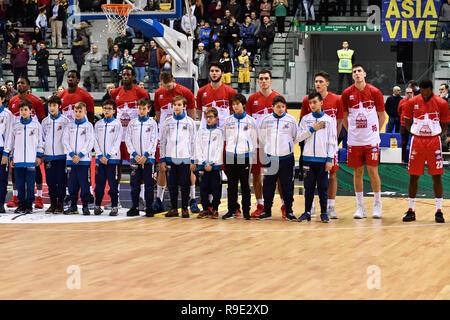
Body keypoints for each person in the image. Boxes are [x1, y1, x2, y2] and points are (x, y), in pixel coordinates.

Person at [341, 64, 386, 219]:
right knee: (357, 172)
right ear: (352, 76)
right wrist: (351, 131)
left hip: (371, 140)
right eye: (354, 72)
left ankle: (377, 204)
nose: (357, 73)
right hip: (354, 141)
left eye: (359, 71)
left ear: (365, 74)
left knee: (373, 171)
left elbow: (382, 116)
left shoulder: (375, 92)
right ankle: (360, 206)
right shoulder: (347, 93)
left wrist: (375, 132)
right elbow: (345, 117)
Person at [402, 80, 450, 223]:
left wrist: (437, 134)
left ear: (430, 89)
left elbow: (445, 123)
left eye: (426, 90)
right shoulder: (412, 102)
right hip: (417, 141)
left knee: (437, 175)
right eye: (421, 90)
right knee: (413, 175)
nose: (423, 93)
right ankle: (411, 210)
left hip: (433, 141)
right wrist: (414, 132)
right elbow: (407, 121)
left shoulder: (441, 103)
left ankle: (439, 211)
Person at [300, 71, 344, 219]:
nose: (317, 83)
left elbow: (339, 122)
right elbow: (303, 126)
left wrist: (333, 143)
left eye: (320, 81)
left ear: (327, 83)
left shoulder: (336, 99)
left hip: (328, 146)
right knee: (309, 182)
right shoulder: (307, 100)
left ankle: (330, 207)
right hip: (310, 148)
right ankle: (310, 207)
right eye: (316, 81)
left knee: (332, 175)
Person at [152, 72, 197, 213]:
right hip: (167, 133)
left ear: (174, 81)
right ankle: (159, 200)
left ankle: (192, 199)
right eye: (164, 85)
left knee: (186, 174)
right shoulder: (158, 93)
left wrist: (188, 125)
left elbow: (192, 112)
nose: (167, 87)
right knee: (163, 168)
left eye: (169, 85)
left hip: (184, 138)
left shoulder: (185, 92)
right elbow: (158, 114)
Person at [247, 69, 285, 218]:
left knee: (277, 177)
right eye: (261, 79)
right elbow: (249, 123)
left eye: (266, 78)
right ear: (258, 81)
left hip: (273, 146)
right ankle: (260, 204)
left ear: (271, 81)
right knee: (256, 175)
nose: (263, 81)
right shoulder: (252, 99)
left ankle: (283, 205)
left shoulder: (278, 98)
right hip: (257, 145)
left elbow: (283, 121)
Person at [110, 66, 150, 205]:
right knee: (117, 166)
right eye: (123, 74)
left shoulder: (140, 92)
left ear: (133, 77)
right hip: (120, 137)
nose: (125, 76)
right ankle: (117, 198)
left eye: (128, 74)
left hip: (135, 136)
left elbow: (146, 112)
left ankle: (143, 197)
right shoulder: (115, 92)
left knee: (139, 166)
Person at [297, 92, 338, 223]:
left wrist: (330, 159)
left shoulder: (329, 120)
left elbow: (332, 141)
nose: (312, 105)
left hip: (322, 160)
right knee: (308, 187)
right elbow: (298, 137)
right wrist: (312, 129)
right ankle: (307, 211)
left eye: (315, 102)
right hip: (307, 159)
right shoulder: (305, 119)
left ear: (321, 103)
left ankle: (324, 213)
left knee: (323, 187)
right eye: (310, 103)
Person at [7, 77, 46, 209]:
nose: (19, 85)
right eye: (18, 83)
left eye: (22, 83)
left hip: (31, 149)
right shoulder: (12, 101)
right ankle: (17, 198)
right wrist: (11, 155)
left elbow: (41, 121)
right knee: (18, 179)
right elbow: (11, 135)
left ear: (28, 86)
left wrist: (39, 154)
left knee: (33, 178)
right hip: (18, 153)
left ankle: (38, 198)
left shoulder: (36, 101)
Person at [256, 95, 298, 221]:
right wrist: (269, 148)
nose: (280, 109)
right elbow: (262, 138)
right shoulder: (266, 120)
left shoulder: (291, 120)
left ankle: (289, 211)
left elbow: (295, 137)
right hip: (270, 158)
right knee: (268, 185)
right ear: (272, 107)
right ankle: (267, 211)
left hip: (287, 158)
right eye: (278, 107)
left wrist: (287, 147)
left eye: (283, 107)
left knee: (287, 186)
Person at [2, 100, 43, 214]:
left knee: (30, 184)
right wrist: (10, 158)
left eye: (26, 110)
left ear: (31, 111)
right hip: (18, 160)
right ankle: (21, 204)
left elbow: (40, 142)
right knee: (19, 184)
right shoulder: (15, 126)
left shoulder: (36, 125)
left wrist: (39, 156)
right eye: (21, 110)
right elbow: (10, 142)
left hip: (31, 161)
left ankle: (29, 204)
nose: (23, 112)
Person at [160, 96, 197, 218]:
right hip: (170, 158)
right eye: (175, 104)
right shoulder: (167, 122)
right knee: (171, 185)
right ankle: (174, 208)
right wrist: (163, 159)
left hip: (185, 158)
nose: (177, 107)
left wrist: (193, 159)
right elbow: (163, 141)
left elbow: (193, 142)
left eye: (179, 105)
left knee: (185, 184)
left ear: (184, 106)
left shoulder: (190, 122)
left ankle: (185, 208)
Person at [222, 94, 257, 220]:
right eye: (233, 104)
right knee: (231, 185)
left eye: (237, 104)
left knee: (245, 185)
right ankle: (231, 210)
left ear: (243, 104)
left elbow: (254, 139)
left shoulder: (251, 121)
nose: (235, 106)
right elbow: (225, 138)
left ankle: (246, 211)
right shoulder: (228, 121)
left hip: (245, 156)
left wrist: (249, 153)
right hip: (230, 155)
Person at [125, 98, 158, 217]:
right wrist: (134, 154)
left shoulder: (152, 123)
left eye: (144, 108)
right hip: (135, 159)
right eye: (140, 108)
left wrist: (146, 155)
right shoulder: (132, 123)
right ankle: (134, 207)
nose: (142, 111)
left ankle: (149, 207)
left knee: (149, 185)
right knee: (134, 185)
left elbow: (154, 141)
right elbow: (128, 139)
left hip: (148, 159)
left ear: (149, 109)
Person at [62, 102, 94, 215]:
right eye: (76, 111)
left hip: (83, 161)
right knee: (71, 185)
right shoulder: (69, 126)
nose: (78, 113)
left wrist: (80, 155)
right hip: (71, 160)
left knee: (84, 184)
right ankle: (73, 206)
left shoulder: (89, 126)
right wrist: (71, 154)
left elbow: (90, 142)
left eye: (80, 111)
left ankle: (85, 206)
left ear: (85, 112)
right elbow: (64, 141)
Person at [93, 99, 122, 217]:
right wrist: (100, 155)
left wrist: (109, 155)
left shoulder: (117, 124)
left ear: (114, 111)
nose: (106, 111)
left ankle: (114, 206)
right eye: (105, 108)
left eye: (109, 109)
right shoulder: (98, 124)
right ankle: (97, 206)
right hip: (100, 160)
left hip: (113, 160)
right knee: (99, 185)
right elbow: (95, 140)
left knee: (113, 184)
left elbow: (117, 141)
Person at [41, 95, 69, 214]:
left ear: (59, 106)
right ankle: (52, 203)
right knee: (50, 181)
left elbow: (68, 138)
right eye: (50, 105)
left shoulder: (65, 121)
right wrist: (42, 152)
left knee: (61, 181)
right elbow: (42, 138)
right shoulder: (44, 121)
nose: (52, 108)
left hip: (61, 156)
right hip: (48, 157)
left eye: (54, 105)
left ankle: (61, 203)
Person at [195, 107, 223, 219]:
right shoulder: (201, 131)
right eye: (206, 117)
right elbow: (198, 147)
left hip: (215, 166)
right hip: (203, 165)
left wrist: (212, 163)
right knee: (203, 188)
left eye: (211, 117)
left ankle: (215, 209)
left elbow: (219, 149)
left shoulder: (219, 132)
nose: (208, 119)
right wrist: (204, 162)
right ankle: (205, 208)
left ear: (216, 118)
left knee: (216, 188)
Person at [197, 62, 237, 129]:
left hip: (224, 131)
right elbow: (199, 111)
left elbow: (232, 112)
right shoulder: (201, 91)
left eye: (217, 71)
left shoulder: (231, 92)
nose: (214, 73)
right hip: (206, 130)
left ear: (222, 73)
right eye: (212, 71)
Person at [0, 89, 13, 213]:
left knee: (2, 178)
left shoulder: (7, 114)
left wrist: (6, 152)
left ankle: (0, 203)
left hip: (1, 150)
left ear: (2, 99)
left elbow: (9, 134)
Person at [398, 87, 414, 163]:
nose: (409, 94)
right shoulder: (402, 101)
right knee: (404, 142)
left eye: (411, 92)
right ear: (405, 93)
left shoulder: (415, 101)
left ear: (413, 93)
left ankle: (414, 159)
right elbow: (399, 112)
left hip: (413, 125)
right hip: (403, 125)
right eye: (408, 93)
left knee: (414, 143)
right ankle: (402, 159)